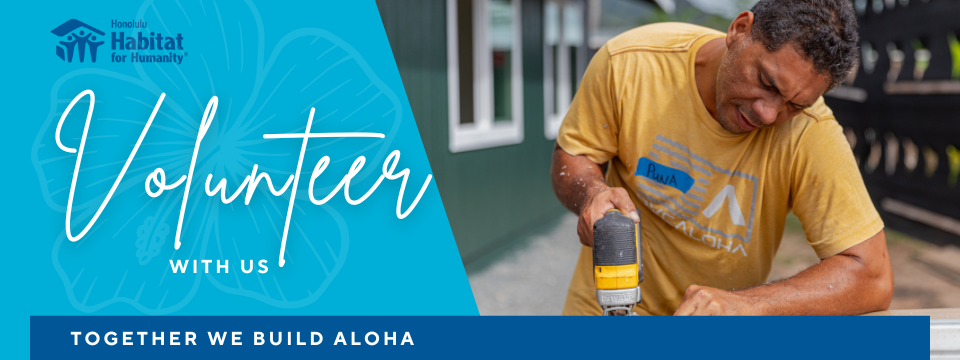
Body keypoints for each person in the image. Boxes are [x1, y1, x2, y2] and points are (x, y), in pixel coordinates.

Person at [551, 0, 893, 315]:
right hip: (600, 314)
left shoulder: (809, 131)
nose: (768, 114)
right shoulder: (631, 64)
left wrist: (747, 304)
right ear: (739, 30)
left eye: (794, 104)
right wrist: (591, 193)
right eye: (767, 83)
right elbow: (574, 153)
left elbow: (872, 276)